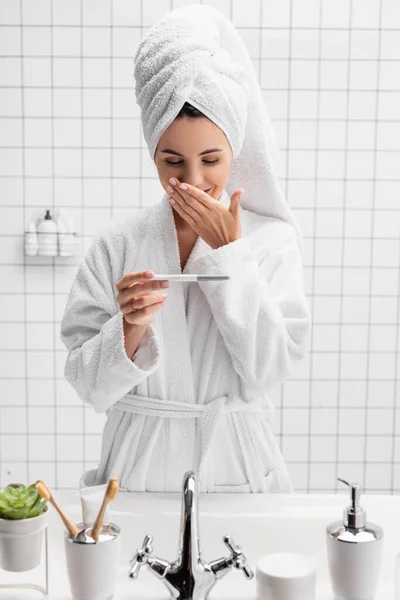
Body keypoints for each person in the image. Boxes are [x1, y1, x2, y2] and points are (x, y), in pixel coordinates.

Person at [60, 5, 312, 493]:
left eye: (211, 159)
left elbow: (269, 370)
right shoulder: (119, 245)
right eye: (172, 160)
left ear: (235, 150)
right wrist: (128, 331)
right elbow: (87, 386)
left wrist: (230, 255)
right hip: (137, 469)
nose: (194, 181)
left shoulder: (270, 242)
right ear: (152, 151)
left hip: (235, 464)